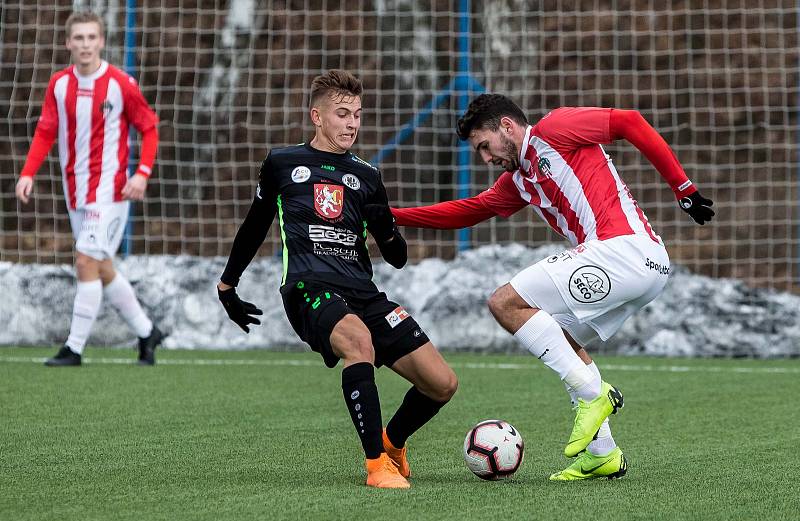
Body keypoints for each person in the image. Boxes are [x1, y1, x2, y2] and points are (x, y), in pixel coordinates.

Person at [385, 94, 715, 480]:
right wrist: (391, 217)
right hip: (639, 267)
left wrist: (683, 187)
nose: (486, 159)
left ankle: (595, 395)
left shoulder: (554, 128)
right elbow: (470, 210)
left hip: (625, 250)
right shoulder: (519, 180)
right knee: (558, 335)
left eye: (484, 147)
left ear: (506, 126)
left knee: (504, 303)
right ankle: (602, 453)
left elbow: (630, 122)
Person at [216, 69, 458, 489]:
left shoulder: (368, 176)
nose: (351, 124)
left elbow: (398, 258)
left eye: (358, 115)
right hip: (309, 288)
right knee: (358, 341)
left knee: (442, 384)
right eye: (342, 114)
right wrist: (227, 285)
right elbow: (254, 226)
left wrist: (386, 228)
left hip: (363, 292)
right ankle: (375, 465)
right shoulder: (281, 162)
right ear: (317, 116)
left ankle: (393, 441)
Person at [15, 11, 164, 366]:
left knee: (84, 260)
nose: (85, 44)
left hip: (111, 191)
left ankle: (74, 348)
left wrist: (141, 173)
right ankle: (147, 332)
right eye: (78, 38)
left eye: (91, 37)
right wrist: (28, 172)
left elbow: (150, 128)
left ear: (101, 41)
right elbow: (46, 130)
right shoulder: (59, 84)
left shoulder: (120, 83)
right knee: (101, 266)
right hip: (75, 191)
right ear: (68, 43)